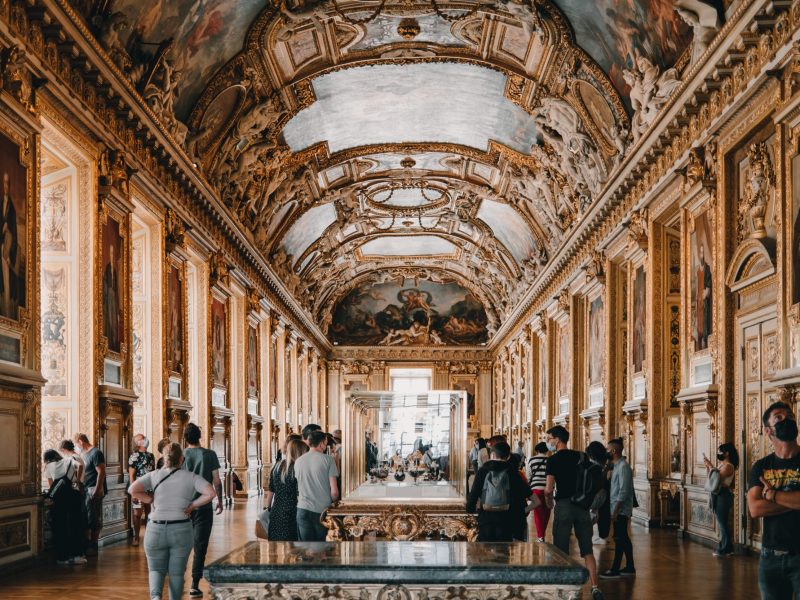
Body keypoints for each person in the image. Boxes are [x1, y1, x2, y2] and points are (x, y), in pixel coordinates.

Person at [129, 443, 215, 600]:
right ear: (182, 459)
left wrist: (149, 499)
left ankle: (155, 598)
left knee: (155, 570)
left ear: (163, 457)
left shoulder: (154, 475)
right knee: (176, 572)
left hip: (155, 529)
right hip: (181, 529)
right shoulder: (191, 477)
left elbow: (132, 489)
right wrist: (192, 506)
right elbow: (210, 493)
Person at [544, 426, 604, 600]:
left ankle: (565, 588)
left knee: (561, 551)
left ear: (557, 439)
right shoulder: (581, 456)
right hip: (582, 505)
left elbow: (548, 489)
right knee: (587, 550)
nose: (548, 442)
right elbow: (592, 480)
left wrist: (549, 503)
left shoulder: (553, 460)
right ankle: (595, 587)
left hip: (564, 505)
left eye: (549, 438)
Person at [747, 401, 800, 599]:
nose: (787, 419)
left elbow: (765, 503)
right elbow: (755, 508)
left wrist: (774, 495)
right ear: (768, 431)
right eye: (779, 417)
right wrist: (793, 500)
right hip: (771, 557)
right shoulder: (761, 466)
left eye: (790, 415)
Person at [182, 423, 223, 598]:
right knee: (200, 546)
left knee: (181, 546)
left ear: (185, 438)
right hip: (204, 506)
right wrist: (220, 500)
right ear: (200, 436)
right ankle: (194, 584)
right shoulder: (209, 455)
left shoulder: (181, 455)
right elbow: (217, 481)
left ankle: (177, 581)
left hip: (183, 507)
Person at [467, 441, 531, 541]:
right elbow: (532, 498)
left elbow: (473, 495)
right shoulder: (513, 472)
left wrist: (470, 510)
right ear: (508, 456)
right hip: (507, 521)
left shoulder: (483, 471)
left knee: (485, 552)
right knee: (503, 553)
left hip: (486, 520)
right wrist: (522, 512)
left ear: (492, 455)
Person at [258, 437, 308, 541]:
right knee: (292, 542)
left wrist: (268, 508)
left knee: (276, 542)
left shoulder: (277, 466)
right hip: (293, 511)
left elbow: (271, 490)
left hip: (277, 510)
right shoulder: (298, 468)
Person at [600, 438, 635, 578]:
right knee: (622, 538)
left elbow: (624, 491)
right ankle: (630, 567)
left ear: (613, 451)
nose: (606, 452)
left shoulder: (623, 467)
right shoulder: (615, 466)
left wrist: (615, 511)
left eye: (607, 449)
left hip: (620, 509)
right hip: (616, 508)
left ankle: (615, 569)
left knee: (620, 538)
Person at [294, 430, 339, 541]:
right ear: (321, 443)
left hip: (302, 508)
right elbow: (334, 492)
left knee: (305, 549)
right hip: (321, 511)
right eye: (326, 442)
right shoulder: (328, 460)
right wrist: (335, 502)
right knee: (322, 549)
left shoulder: (298, 461)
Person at [43, 449, 86, 565]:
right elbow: (80, 465)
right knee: (75, 525)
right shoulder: (68, 460)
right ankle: (76, 556)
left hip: (59, 500)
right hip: (73, 495)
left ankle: (63, 558)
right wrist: (77, 480)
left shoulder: (48, 467)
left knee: (61, 526)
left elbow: (52, 486)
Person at [73, 433, 105, 556]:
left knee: (94, 518)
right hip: (85, 489)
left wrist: (97, 490)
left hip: (93, 489)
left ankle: (94, 545)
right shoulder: (82, 454)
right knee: (85, 518)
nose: (77, 446)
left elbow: (101, 472)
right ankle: (86, 545)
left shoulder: (96, 453)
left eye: (77, 444)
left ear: (81, 442)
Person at [704, 441, 738, 557]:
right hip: (719, 494)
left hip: (724, 494)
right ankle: (726, 547)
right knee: (721, 522)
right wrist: (709, 466)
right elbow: (714, 476)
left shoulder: (728, 466)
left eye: (720, 451)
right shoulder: (722, 465)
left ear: (727, 453)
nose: (718, 453)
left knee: (723, 522)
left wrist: (710, 465)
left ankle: (726, 549)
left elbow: (717, 477)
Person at [128, 434, 156, 547]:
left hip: (149, 488)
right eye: (141, 438)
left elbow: (153, 473)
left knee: (150, 512)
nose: (145, 439)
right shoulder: (134, 456)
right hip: (138, 489)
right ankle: (136, 538)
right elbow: (131, 476)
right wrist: (133, 493)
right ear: (137, 442)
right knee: (137, 513)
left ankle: (149, 537)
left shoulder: (151, 455)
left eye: (144, 437)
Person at [527, 442, 551, 542]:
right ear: (547, 450)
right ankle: (542, 534)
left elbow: (529, 474)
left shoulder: (532, 460)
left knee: (538, 513)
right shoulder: (550, 460)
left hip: (535, 489)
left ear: (537, 450)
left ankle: (541, 535)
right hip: (547, 488)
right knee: (547, 512)